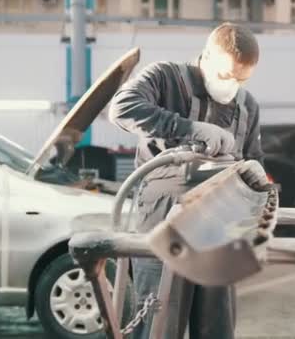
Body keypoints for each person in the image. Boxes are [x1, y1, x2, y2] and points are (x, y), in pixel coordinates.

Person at [108, 22, 263, 339]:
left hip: (220, 224)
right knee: (161, 322)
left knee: (216, 327)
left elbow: (254, 159)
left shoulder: (247, 106)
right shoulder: (165, 78)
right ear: (207, 56)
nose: (231, 85)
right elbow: (122, 108)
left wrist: (256, 179)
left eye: (241, 79)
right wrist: (190, 130)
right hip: (164, 215)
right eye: (225, 75)